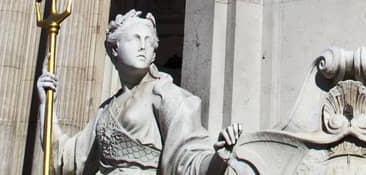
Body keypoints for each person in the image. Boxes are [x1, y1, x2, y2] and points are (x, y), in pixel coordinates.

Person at [36, 10, 249, 175]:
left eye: (149, 41)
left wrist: (218, 158)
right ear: (115, 49)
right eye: (135, 39)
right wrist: (47, 104)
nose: (143, 47)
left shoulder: (166, 95)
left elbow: (188, 159)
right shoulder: (107, 109)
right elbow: (69, 160)